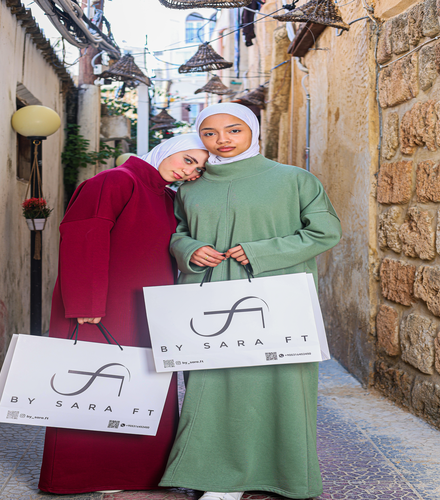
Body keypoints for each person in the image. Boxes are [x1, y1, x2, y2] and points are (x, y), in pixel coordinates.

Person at [159, 104, 342, 500]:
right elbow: (175, 232)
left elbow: (326, 232)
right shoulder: (189, 187)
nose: (222, 139)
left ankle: (285, 475)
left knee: (281, 384)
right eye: (209, 133)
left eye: (233, 130)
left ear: (253, 132)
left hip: (277, 298)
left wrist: (261, 252)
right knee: (212, 384)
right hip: (209, 302)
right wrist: (190, 249)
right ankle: (217, 479)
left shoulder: (295, 179)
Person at [38, 134, 209, 495]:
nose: (190, 170)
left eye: (199, 167)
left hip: (149, 308)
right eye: (189, 158)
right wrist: (86, 303)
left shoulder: (170, 198)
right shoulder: (115, 181)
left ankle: (139, 474)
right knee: (87, 384)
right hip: (102, 307)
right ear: (169, 147)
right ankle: (78, 476)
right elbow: (84, 235)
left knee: (142, 387)